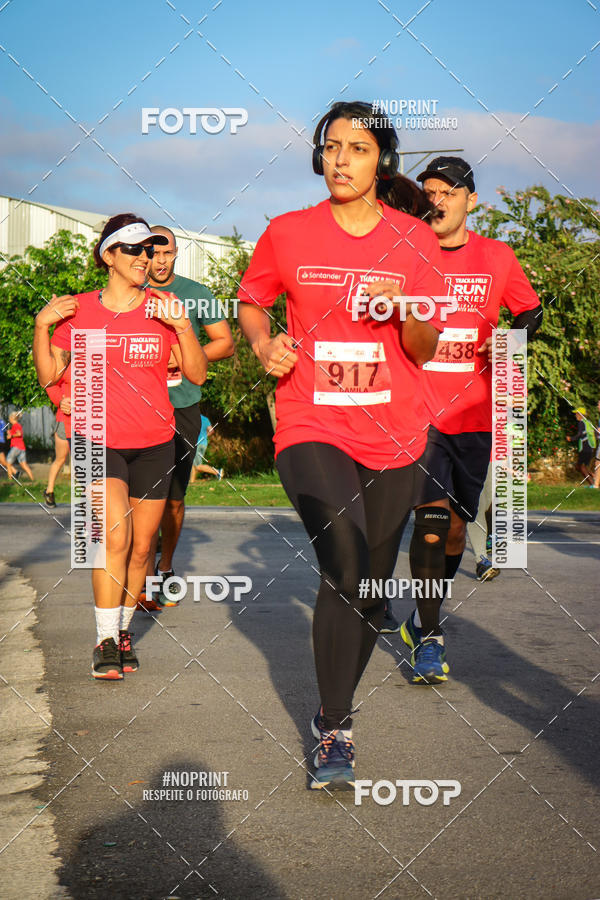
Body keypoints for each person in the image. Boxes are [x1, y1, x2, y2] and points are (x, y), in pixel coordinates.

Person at [238, 101, 447, 789]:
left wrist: (409, 309)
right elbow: (253, 300)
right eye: (330, 147)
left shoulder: (415, 240)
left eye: (356, 149)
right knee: (344, 556)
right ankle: (335, 727)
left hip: (395, 432)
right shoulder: (288, 233)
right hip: (311, 420)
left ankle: (337, 712)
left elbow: (424, 345)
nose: (340, 160)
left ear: (381, 159)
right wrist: (266, 344)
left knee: (367, 583)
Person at [33, 213, 208, 680]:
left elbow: (196, 375)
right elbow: (52, 376)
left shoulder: (162, 308)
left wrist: (185, 327)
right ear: (108, 256)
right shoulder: (80, 310)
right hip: (96, 439)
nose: (144, 257)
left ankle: (123, 631)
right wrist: (41, 326)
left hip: (155, 442)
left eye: (149, 249)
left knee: (140, 548)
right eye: (132, 249)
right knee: (111, 539)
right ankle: (105, 641)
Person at [390, 156, 543, 684]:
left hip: (475, 413)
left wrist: (509, 346)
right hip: (417, 412)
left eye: (448, 192)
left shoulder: (497, 257)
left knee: (456, 529)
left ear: (470, 201)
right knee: (430, 524)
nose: (437, 199)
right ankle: (430, 638)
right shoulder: (405, 255)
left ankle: (420, 617)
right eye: (429, 191)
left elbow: (529, 311)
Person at [139, 225, 233, 610]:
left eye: (167, 254)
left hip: (182, 407)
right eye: (153, 254)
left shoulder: (197, 294)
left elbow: (224, 343)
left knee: (173, 500)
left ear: (176, 253)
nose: (160, 262)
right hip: (137, 406)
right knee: (141, 498)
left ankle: (165, 567)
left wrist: (186, 357)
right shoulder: (128, 292)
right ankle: (139, 575)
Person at [466, 462, 500, 581]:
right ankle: (481, 560)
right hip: (462, 452)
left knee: (491, 502)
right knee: (477, 504)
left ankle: (488, 537)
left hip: (488, 455)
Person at [44, 365, 71, 507]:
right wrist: (61, 400)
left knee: (84, 464)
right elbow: (50, 384)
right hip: (65, 420)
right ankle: (49, 491)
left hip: (87, 423)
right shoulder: (63, 365)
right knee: (60, 459)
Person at [567, 407, 596, 486]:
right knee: (581, 467)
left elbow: (579, 434)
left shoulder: (581, 423)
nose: (575, 415)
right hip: (590, 447)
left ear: (581, 415)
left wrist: (571, 438)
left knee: (580, 467)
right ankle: (595, 477)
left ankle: (592, 483)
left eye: (577, 413)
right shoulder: (588, 422)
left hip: (584, 447)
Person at [189, 415, 223, 482]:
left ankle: (217, 472)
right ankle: (192, 481)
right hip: (204, 444)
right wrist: (204, 436)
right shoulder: (205, 419)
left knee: (197, 466)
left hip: (196, 444)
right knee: (194, 463)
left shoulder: (192, 418)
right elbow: (211, 430)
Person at [6, 412, 35, 481]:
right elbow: (13, 435)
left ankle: (10, 480)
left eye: (9, 418)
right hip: (21, 447)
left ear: (12, 418)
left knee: (8, 463)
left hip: (16, 447)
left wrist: (11, 435)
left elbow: (19, 434)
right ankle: (33, 480)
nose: (9, 419)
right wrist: (10, 434)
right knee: (23, 464)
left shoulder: (15, 425)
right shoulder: (16, 426)